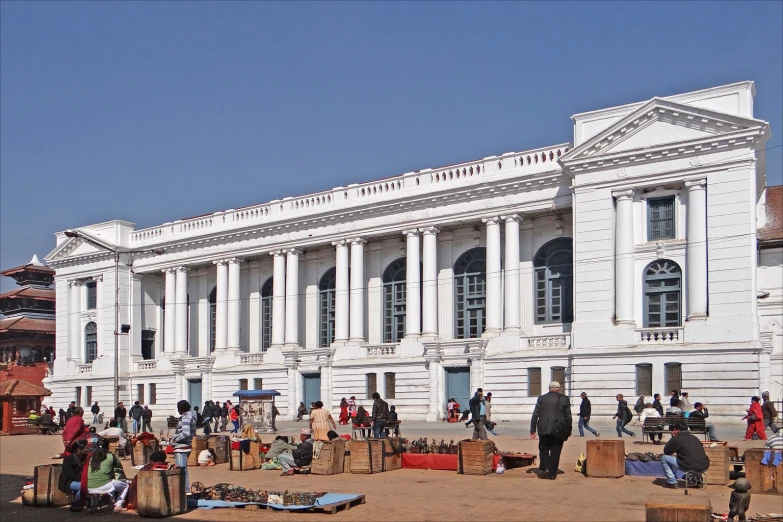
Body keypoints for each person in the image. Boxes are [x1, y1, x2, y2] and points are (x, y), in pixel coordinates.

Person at [530, 381, 572, 480]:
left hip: (543, 427)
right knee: (555, 451)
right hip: (559, 429)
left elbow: (535, 414)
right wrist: (569, 429)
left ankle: (545, 469)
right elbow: (568, 416)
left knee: (543, 448)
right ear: (558, 389)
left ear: (549, 388)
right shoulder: (564, 398)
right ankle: (552, 473)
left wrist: (532, 429)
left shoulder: (541, 398)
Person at [660, 421, 710, 489]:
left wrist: (673, 438)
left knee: (664, 458)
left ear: (677, 430)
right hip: (704, 465)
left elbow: (667, 452)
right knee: (694, 459)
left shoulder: (677, 439)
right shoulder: (694, 438)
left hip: (688, 466)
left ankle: (671, 482)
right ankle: (696, 480)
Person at [87, 439, 129, 510]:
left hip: (89, 486)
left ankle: (95, 504)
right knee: (125, 486)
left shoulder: (92, 457)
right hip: (104, 486)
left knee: (108, 481)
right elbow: (119, 469)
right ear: (108, 446)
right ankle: (118, 505)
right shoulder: (111, 457)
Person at [170, 400, 196, 490]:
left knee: (181, 470)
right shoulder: (191, 416)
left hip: (182, 447)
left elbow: (185, 433)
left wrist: (174, 440)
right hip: (185, 445)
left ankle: (185, 490)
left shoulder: (186, 418)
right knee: (183, 469)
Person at [58, 439, 89, 511]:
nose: (87, 448)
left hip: (80, 479)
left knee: (86, 485)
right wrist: (83, 479)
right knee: (84, 486)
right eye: (86, 447)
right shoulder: (68, 459)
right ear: (78, 449)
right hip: (69, 481)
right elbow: (69, 474)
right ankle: (75, 504)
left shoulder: (85, 457)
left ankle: (83, 502)